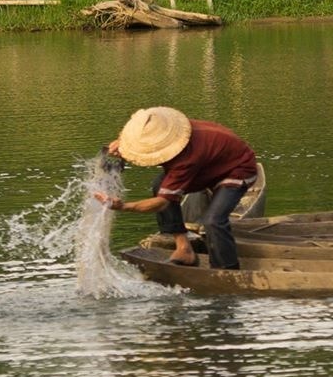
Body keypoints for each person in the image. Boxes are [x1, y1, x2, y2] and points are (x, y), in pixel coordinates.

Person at [96, 107, 258, 269]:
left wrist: (124, 206)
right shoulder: (170, 130)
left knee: (213, 221)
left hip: (238, 169)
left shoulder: (186, 159)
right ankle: (184, 248)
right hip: (208, 164)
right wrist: (125, 146)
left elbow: (162, 202)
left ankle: (226, 270)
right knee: (159, 185)